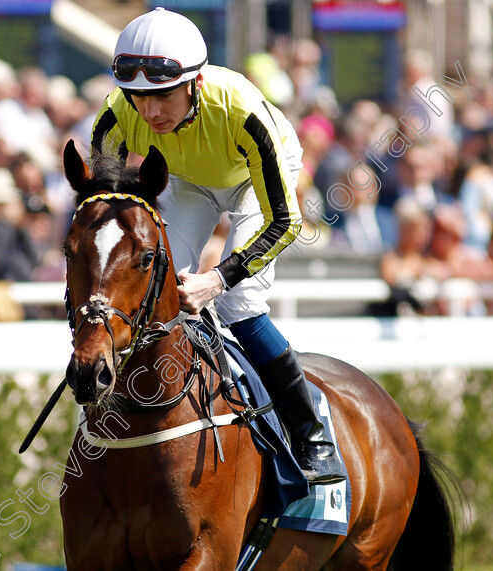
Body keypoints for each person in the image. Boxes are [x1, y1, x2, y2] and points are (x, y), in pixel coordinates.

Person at [91, 8, 344, 483]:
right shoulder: (114, 116)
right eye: (140, 97)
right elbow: (104, 212)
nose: (151, 112)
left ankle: (311, 435)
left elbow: (286, 223)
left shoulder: (242, 111)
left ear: (196, 82)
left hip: (255, 179)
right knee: (154, 288)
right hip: (190, 180)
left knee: (238, 302)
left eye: (164, 94)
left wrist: (217, 278)